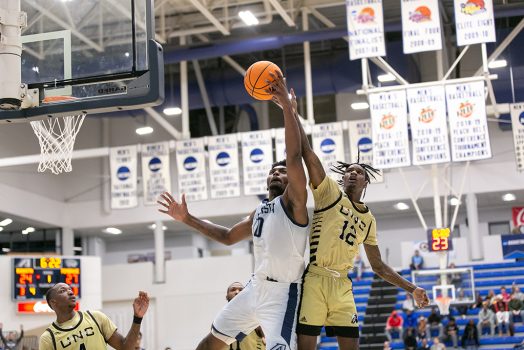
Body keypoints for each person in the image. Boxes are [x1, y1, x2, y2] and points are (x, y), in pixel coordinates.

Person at [158, 72, 309, 350]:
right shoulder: (259, 212)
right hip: (254, 288)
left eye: (282, 171)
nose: (277, 173)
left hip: (282, 294)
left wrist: (287, 107)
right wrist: (187, 218)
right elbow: (227, 236)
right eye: (272, 171)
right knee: (208, 345)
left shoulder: (295, 202)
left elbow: (294, 155)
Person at [285, 88, 429, 350]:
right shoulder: (328, 193)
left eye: (359, 172)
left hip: (342, 284)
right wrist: (294, 114)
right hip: (315, 278)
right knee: (306, 345)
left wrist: (412, 288)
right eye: (349, 171)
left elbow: (379, 267)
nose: (352, 174)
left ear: (366, 181)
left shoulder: (369, 220)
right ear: (342, 178)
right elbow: (307, 154)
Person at [39, 283, 149, 350]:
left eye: (70, 289)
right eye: (63, 291)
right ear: (54, 302)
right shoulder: (48, 338)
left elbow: (126, 348)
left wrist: (137, 318)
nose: (70, 292)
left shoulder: (96, 317)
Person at [223, 282, 265, 350]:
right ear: (226, 296)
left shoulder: (256, 317)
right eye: (233, 289)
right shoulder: (219, 321)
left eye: (241, 290)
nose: (237, 292)